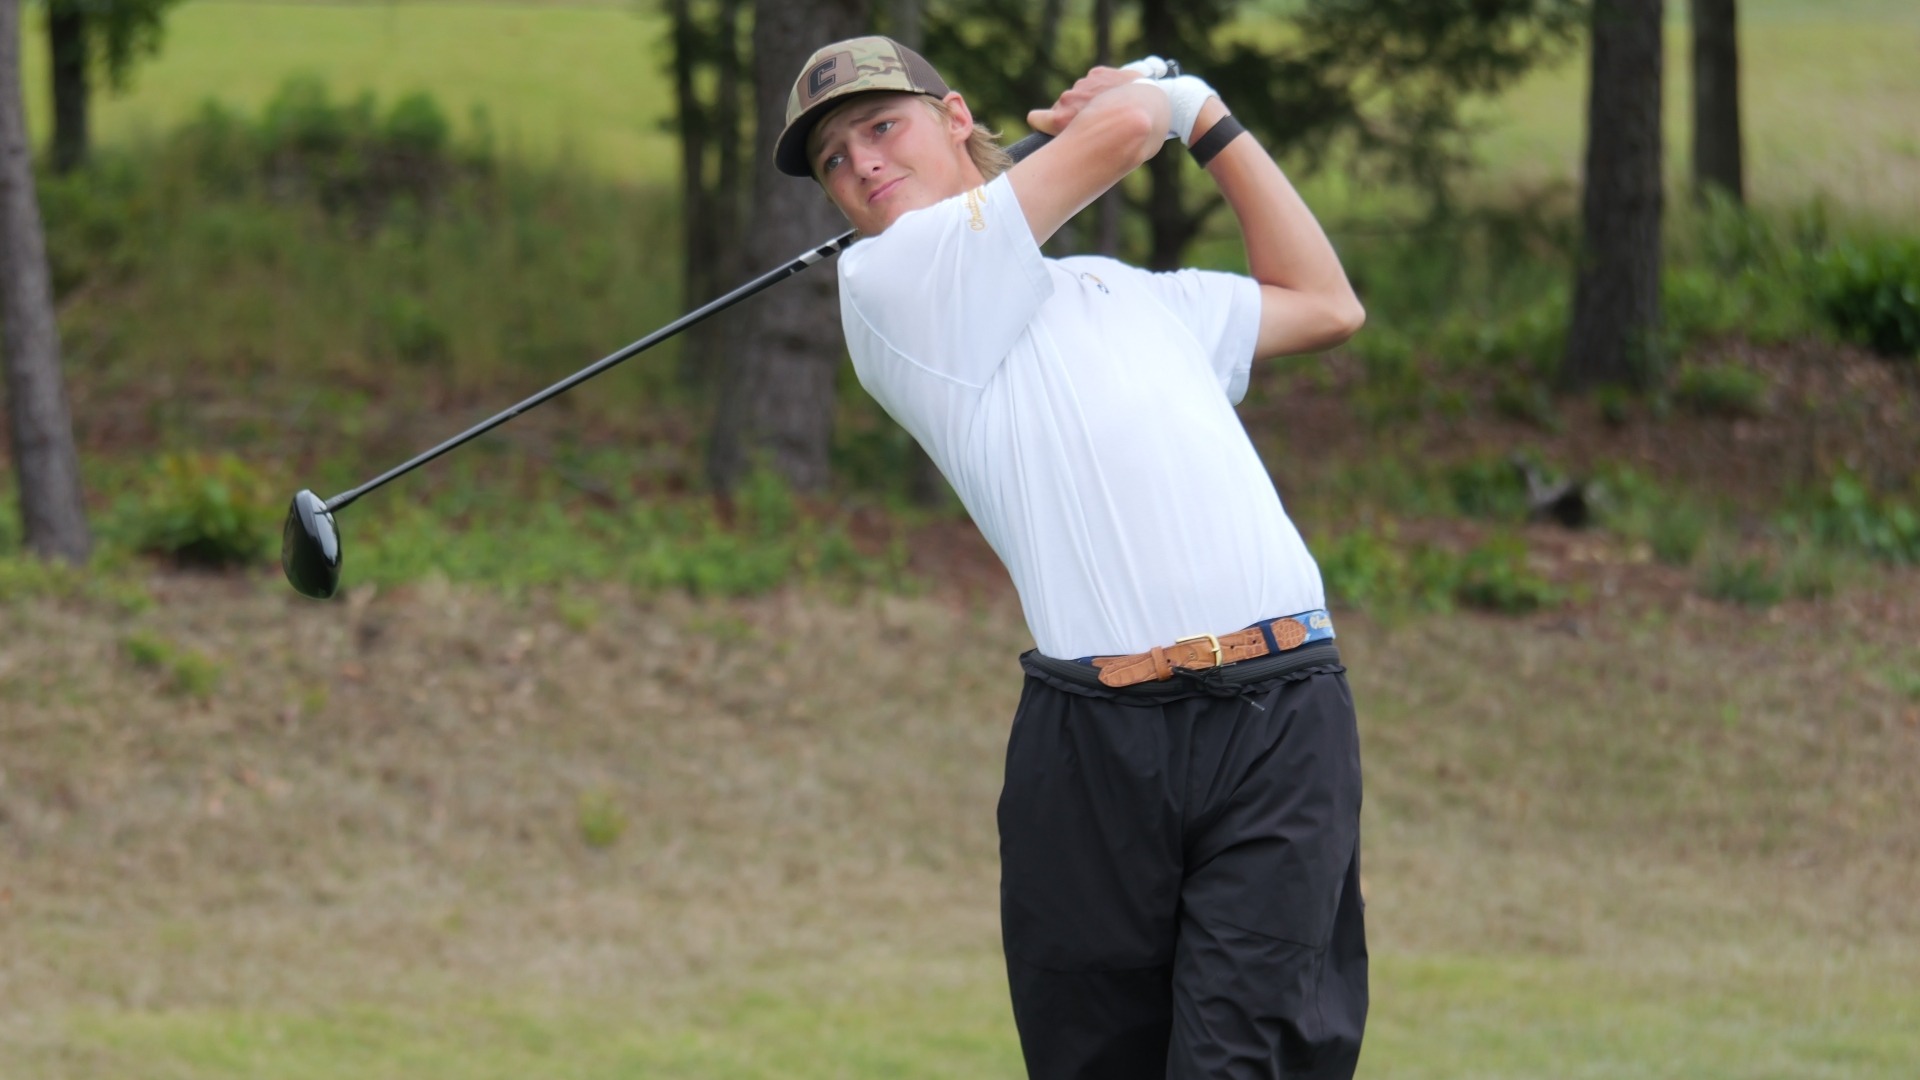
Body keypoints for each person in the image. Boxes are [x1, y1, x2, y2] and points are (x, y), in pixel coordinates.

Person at [773, 36, 1369, 1080]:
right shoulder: (891, 285)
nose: (859, 163)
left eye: (880, 127)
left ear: (955, 116)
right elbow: (1130, 131)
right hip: (1094, 746)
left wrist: (1211, 119)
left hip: (1280, 719)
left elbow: (1325, 303)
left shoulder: (1125, 293)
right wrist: (1162, 97)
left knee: (1246, 1061)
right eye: (833, 160)